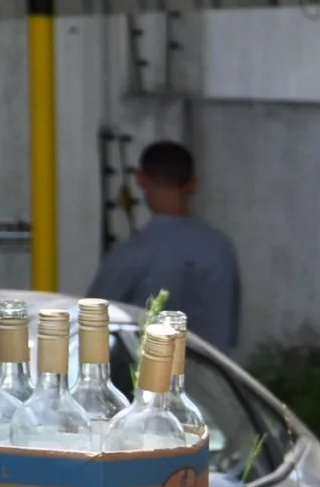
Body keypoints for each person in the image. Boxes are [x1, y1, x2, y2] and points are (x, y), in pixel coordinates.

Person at [86, 141, 242, 351]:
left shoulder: (131, 253)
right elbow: (231, 330)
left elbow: (90, 325)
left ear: (141, 179)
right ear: (193, 184)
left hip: (148, 379)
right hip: (210, 379)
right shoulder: (222, 250)